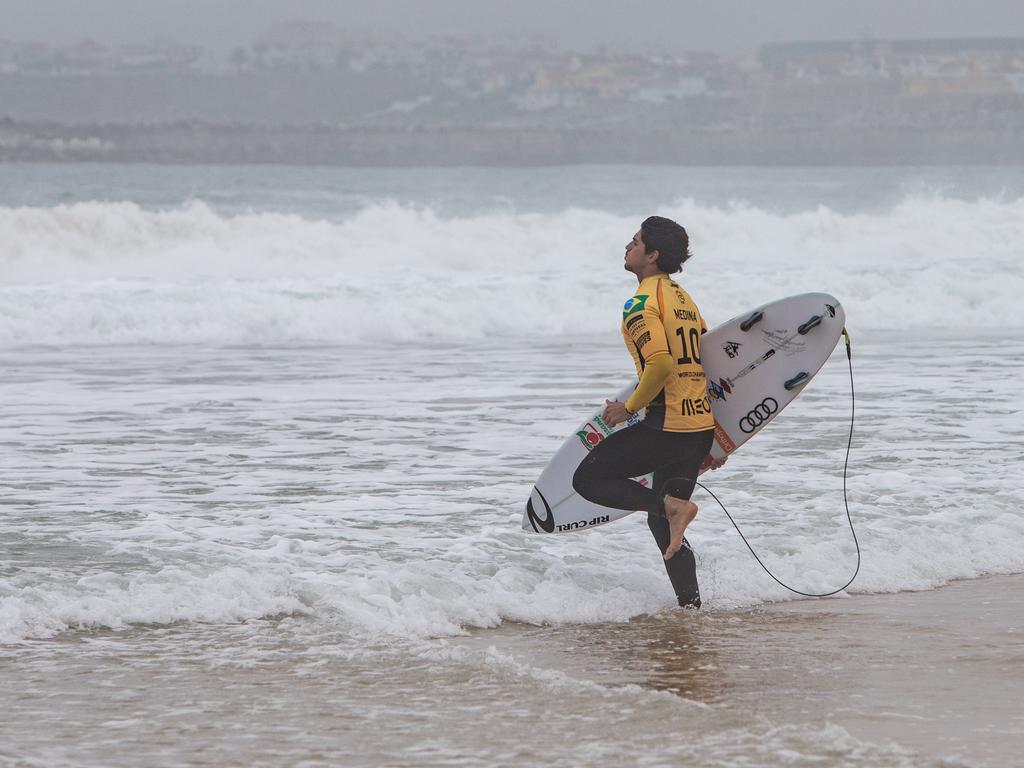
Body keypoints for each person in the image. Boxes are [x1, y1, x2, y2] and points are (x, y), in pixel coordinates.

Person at [572, 216, 724, 608]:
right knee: (664, 522)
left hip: (668, 423)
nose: (628, 246)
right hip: (698, 426)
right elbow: (706, 357)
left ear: (652, 255)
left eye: (636, 242)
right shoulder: (683, 299)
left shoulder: (640, 303)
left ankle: (676, 509)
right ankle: (690, 608)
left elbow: (660, 365)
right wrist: (720, 438)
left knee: (589, 478)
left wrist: (628, 408)